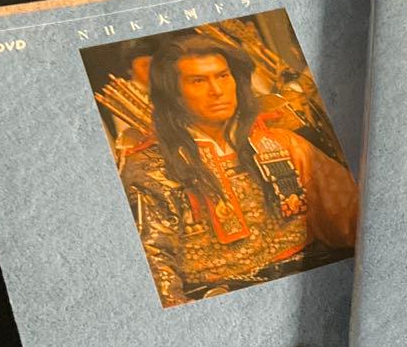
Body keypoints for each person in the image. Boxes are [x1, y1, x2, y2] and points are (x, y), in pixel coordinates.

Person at [120, 32, 358, 307]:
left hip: (310, 286)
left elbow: (352, 217)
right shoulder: (150, 169)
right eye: (198, 81)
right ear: (173, 93)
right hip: (221, 298)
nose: (217, 90)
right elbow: (155, 268)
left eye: (223, 76)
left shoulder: (284, 144)